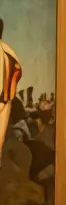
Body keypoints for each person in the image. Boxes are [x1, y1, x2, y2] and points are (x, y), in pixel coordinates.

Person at [0, 15, 21, 163]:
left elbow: (17, 70)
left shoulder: (6, 50)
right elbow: (17, 69)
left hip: (3, 100)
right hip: (4, 100)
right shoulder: (7, 50)